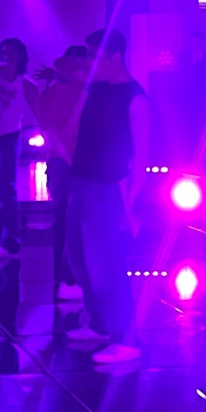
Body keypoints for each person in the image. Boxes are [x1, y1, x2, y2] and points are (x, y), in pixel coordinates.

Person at [65, 27, 149, 363]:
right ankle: (100, 324)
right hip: (82, 182)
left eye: (94, 55)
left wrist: (132, 204)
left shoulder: (135, 98)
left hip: (108, 189)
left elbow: (142, 155)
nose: (89, 62)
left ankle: (126, 339)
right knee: (78, 259)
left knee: (107, 266)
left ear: (114, 56)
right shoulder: (98, 89)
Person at [0, 38, 38, 260]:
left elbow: (39, 108)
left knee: (5, 187)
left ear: (21, 56)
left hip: (9, 137)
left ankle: (11, 240)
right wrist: (1, 66)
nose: (7, 56)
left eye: (12, 53)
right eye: (4, 52)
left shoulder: (25, 83)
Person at [35, 46, 89, 302]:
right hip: (69, 165)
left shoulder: (77, 91)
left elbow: (50, 132)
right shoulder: (61, 93)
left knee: (68, 221)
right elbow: (52, 134)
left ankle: (66, 278)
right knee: (70, 221)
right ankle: (68, 278)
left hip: (71, 164)